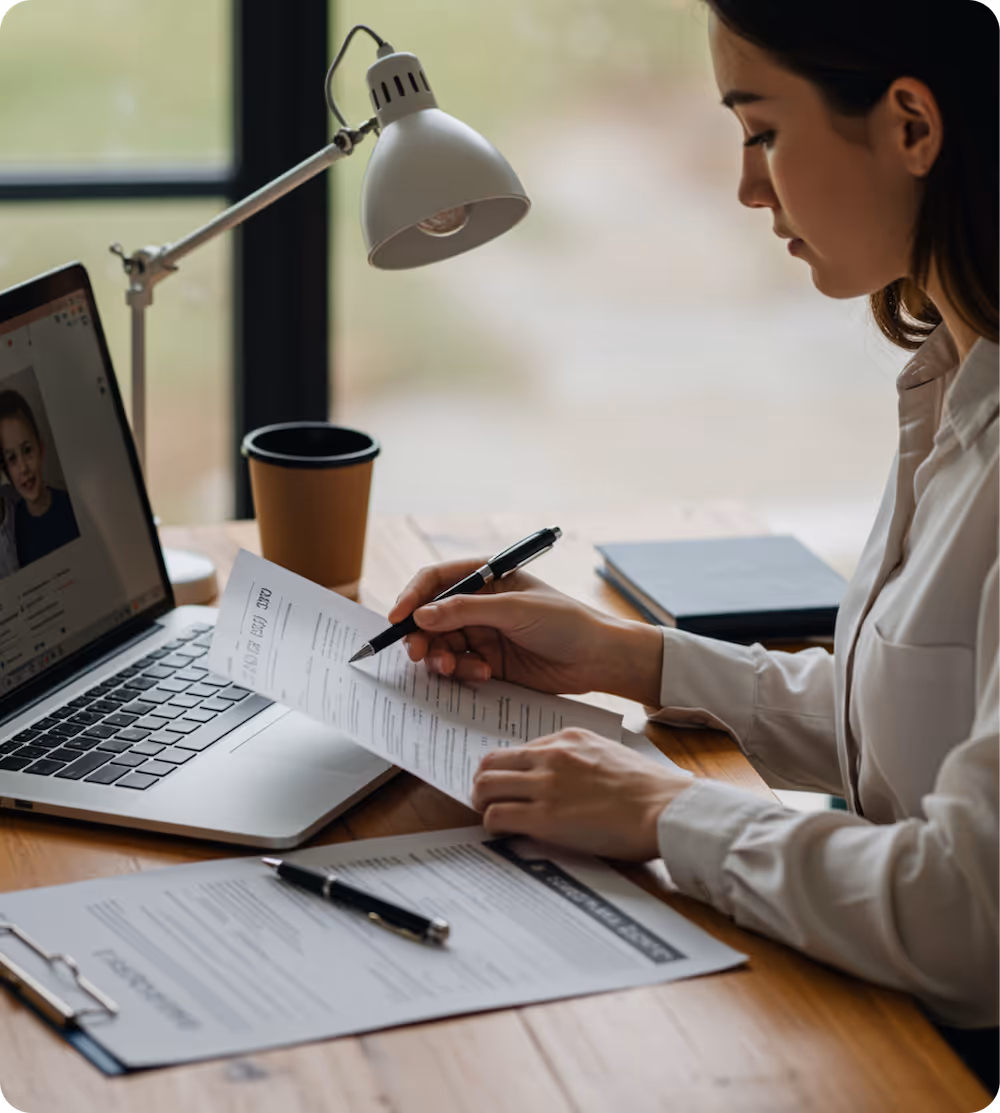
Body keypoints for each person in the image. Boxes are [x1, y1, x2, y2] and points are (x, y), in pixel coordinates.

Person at [387, 0, 1000, 1092]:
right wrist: (628, 659)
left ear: (912, 125)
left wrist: (664, 810)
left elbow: (970, 917)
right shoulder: (954, 383)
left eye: (761, 130)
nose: (747, 186)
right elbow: (924, 725)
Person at [0, 389, 79, 567]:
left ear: (41, 450)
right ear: (6, 472)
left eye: (27, 450)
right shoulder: (13, 529)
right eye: (12, 459)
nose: (23, 468)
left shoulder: (71, 508)